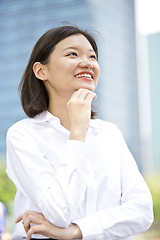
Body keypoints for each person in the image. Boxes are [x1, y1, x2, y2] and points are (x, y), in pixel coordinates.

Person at [6, 25, 153, 240]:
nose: (88, 63)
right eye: (72, 54)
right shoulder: (23, 135)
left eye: (92, 57)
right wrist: (78, 132)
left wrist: (75, 231)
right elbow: (57, 212)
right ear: (41, 71)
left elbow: (142, 211)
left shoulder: (109, 134)